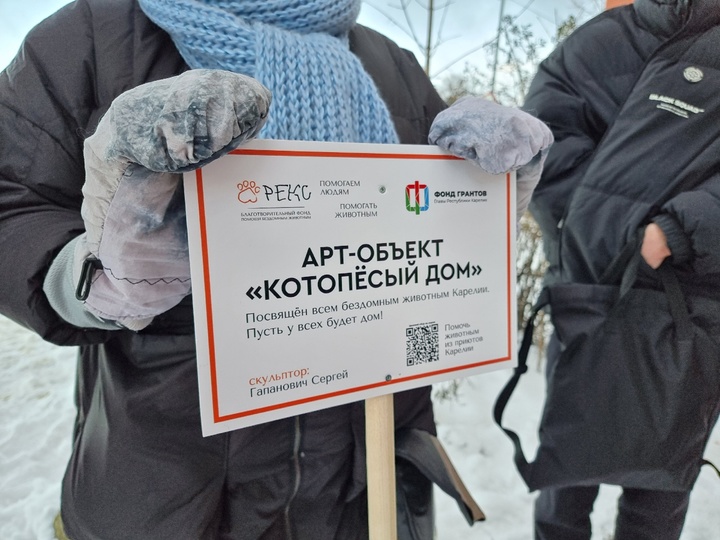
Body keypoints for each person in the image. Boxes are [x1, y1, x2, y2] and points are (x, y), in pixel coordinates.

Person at [0, 1, 552, 538]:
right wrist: (90, 277)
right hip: (173, 487)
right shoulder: (95, 35)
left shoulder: (391, 63)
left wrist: (483, 206)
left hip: (368, 484)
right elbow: (13, 202)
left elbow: (427, 227)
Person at [522, 0, 720, 539]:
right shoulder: (600, 40)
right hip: (591, 287)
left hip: (689, 304)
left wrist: (683, 226)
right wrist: (599, 226)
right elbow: (544, 139)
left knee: (659, 492)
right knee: (566, 475)